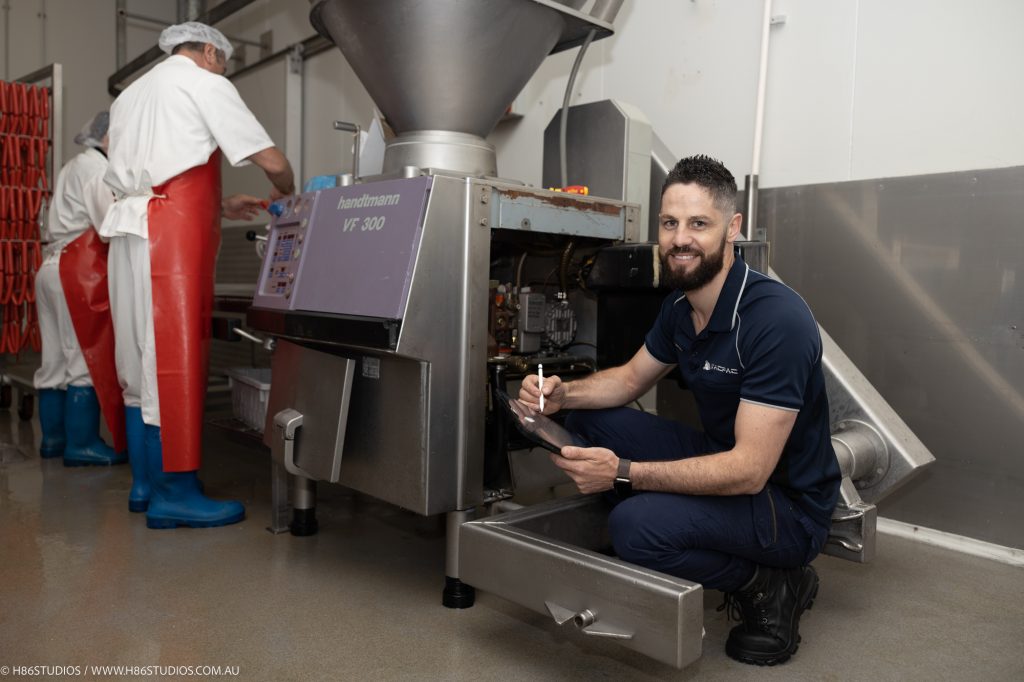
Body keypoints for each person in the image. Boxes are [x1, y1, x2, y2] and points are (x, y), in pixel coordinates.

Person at [519, 155, 841, 666]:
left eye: (698, 224)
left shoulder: (774, 320)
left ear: (731, 229)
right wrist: (563, 396)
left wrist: (622, 474)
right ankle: (672, 522)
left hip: (788, 506)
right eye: (670, 223)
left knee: (634, 527)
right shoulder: (680, 307)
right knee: (587, 420)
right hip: (723, 458)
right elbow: (628, 380)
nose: (680, 239)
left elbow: (749, 471)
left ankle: (771, 583)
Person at [100, 21, 295, 529]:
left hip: (128, 230)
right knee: (172, 359)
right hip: (169, 236)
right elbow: (269, 159)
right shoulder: (203, 81)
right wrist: (288, 188)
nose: (223, 69)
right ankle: (176, 493)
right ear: (210, 51)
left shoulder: (131, 96)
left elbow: (158, 168)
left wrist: (221, 204)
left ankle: (145, 485)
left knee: (138, 360)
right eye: (223, 62)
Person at [34, 111, 126, 468]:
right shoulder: (97, 170)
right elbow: (107, 227)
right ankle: (83, 444)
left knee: (53, 363)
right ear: (107, 138)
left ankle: (54, 441)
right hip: (76, 269)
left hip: (50, 267)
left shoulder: (73, 165)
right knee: (81, 361)